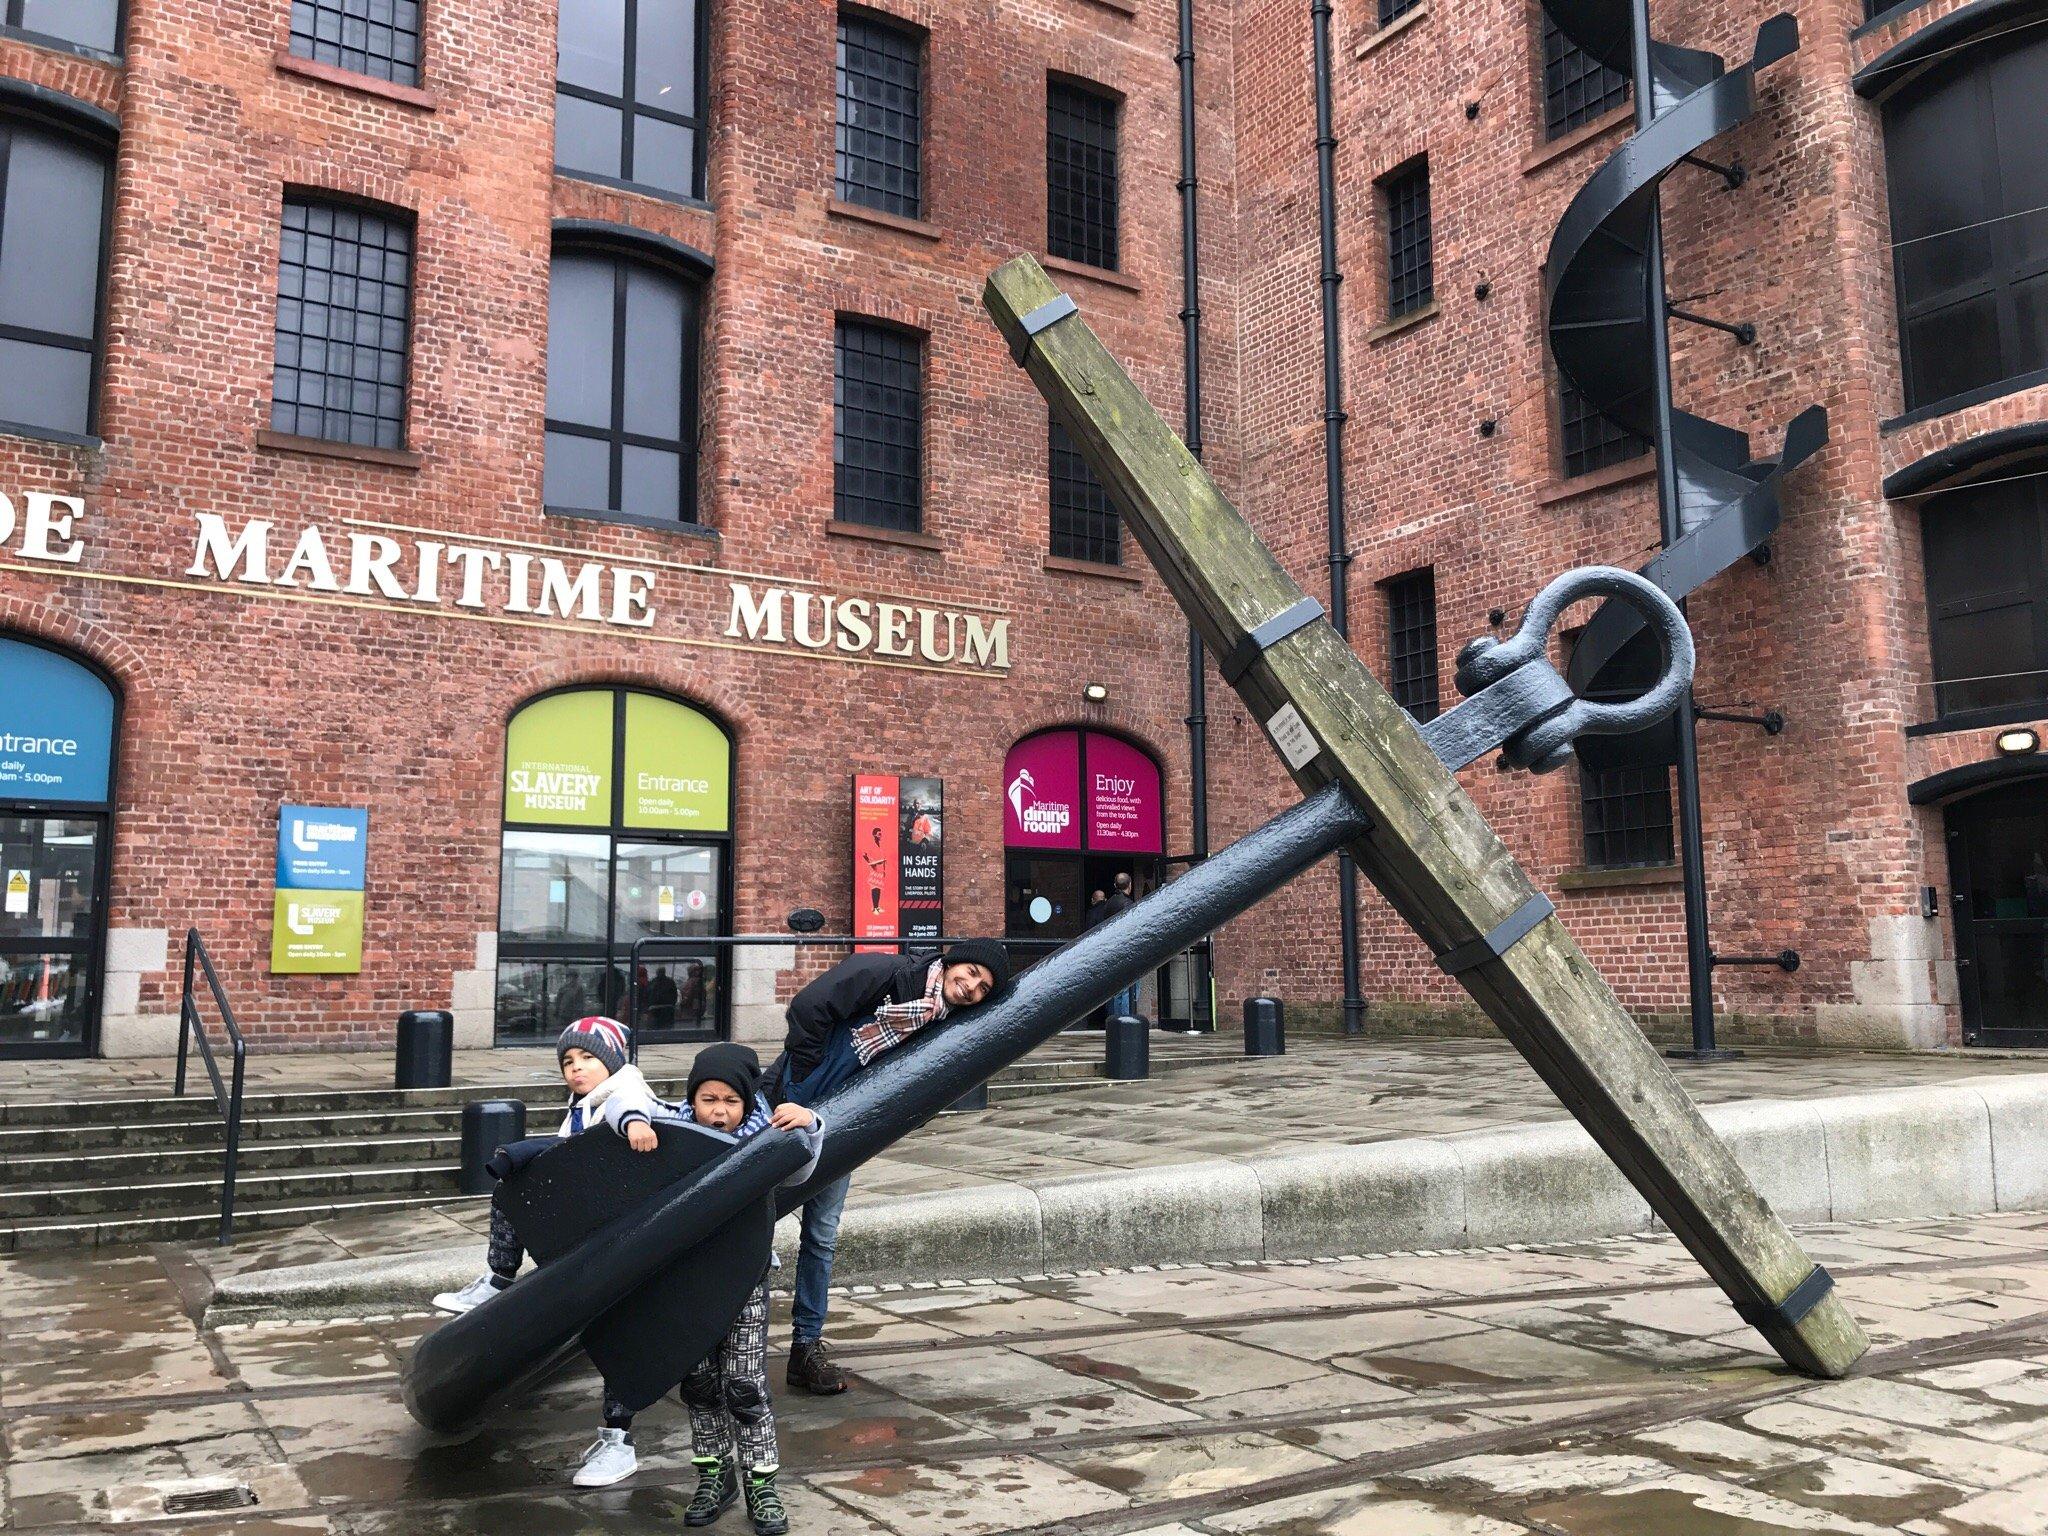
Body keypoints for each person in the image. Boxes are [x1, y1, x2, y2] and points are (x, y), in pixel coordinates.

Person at [771, 938, 1011, 1394]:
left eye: (984, 988)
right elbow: (809, 1007)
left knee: (821, 1236)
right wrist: (805, 1078)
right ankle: (730, 1346)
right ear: (955, 960)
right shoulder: (886, 974)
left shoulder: (941, 1024)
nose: (972, 987)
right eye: (972, 972)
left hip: (838, 1129)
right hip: (792, 1107)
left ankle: (805, 1347)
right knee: (755, 1224)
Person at [1098, 872, 1139, 1019]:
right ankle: (1125, 1022)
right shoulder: (1128, 904)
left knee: (1116, 991)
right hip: (1126, 950)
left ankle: (1115, 1021)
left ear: (1115, 885)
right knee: (1129, 990)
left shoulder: (1108, 904)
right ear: (1130, 885)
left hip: (1112, 949)